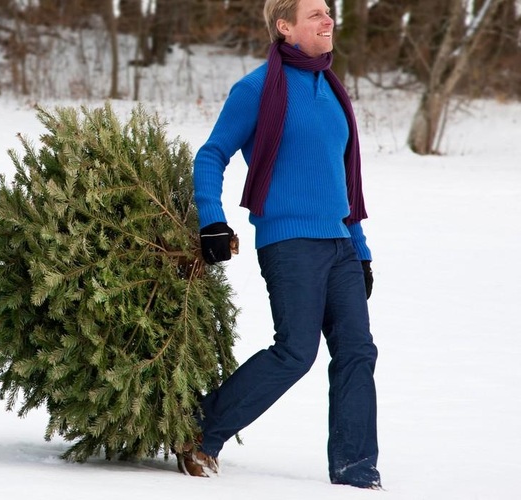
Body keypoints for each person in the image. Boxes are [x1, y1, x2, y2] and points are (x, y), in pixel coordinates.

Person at [181, 0, 381, 489]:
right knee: (296, 351)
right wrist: (213, 221)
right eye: (315, 13)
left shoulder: (333, 93)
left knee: (358, 351)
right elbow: (211, 156)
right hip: (289, 240)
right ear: (285, 26)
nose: (328, 19)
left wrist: (361, 248)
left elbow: (343, 183)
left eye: (329, 11)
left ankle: (357, 470)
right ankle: (199, 431)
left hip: (339, 243)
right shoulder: (256, 89)